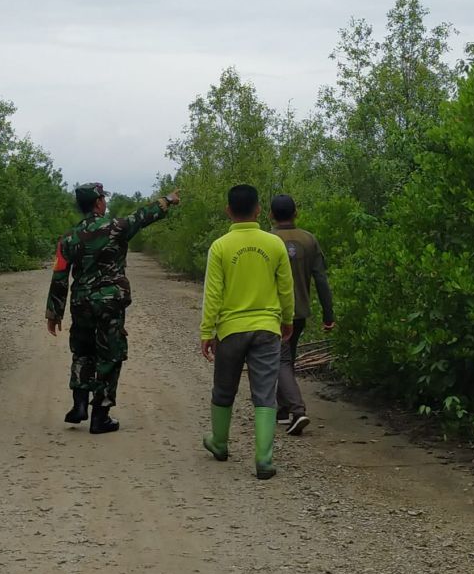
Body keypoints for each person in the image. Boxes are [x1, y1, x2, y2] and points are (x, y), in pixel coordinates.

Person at [46, 183, 180, 434]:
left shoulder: (68, 237)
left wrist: (54, 313)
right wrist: (167, 200)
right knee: (110, 355)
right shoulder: (115, 228)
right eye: (103, 199)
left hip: (81, 304)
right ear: (98, 202)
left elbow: (60, 275)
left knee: (83, 351)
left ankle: (79, 405)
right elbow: (143, 216)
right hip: (109, 303)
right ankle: (100, 416)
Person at [200, 185, 294, 480]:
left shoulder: (220, 246)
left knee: (224, 388)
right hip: (267, 328)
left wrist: (207, 330)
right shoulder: (274, 244)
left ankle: (219, 443)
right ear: (257, 210)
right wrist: (287, 319)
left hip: (230, 330)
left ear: (228, 211)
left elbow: (213, 294)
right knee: (265, 394)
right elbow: (286, 289)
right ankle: (264, 460)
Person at [270, 194, 335, 436]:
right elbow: (321, 279)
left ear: (271, 215)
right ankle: (283, 409)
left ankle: (297, 410)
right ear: (296, 213)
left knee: (280, 360)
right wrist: (329, 315)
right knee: (287, 358)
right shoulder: (309, 240)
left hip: (273, 311)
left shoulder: (268, 240)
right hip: (299, 312)